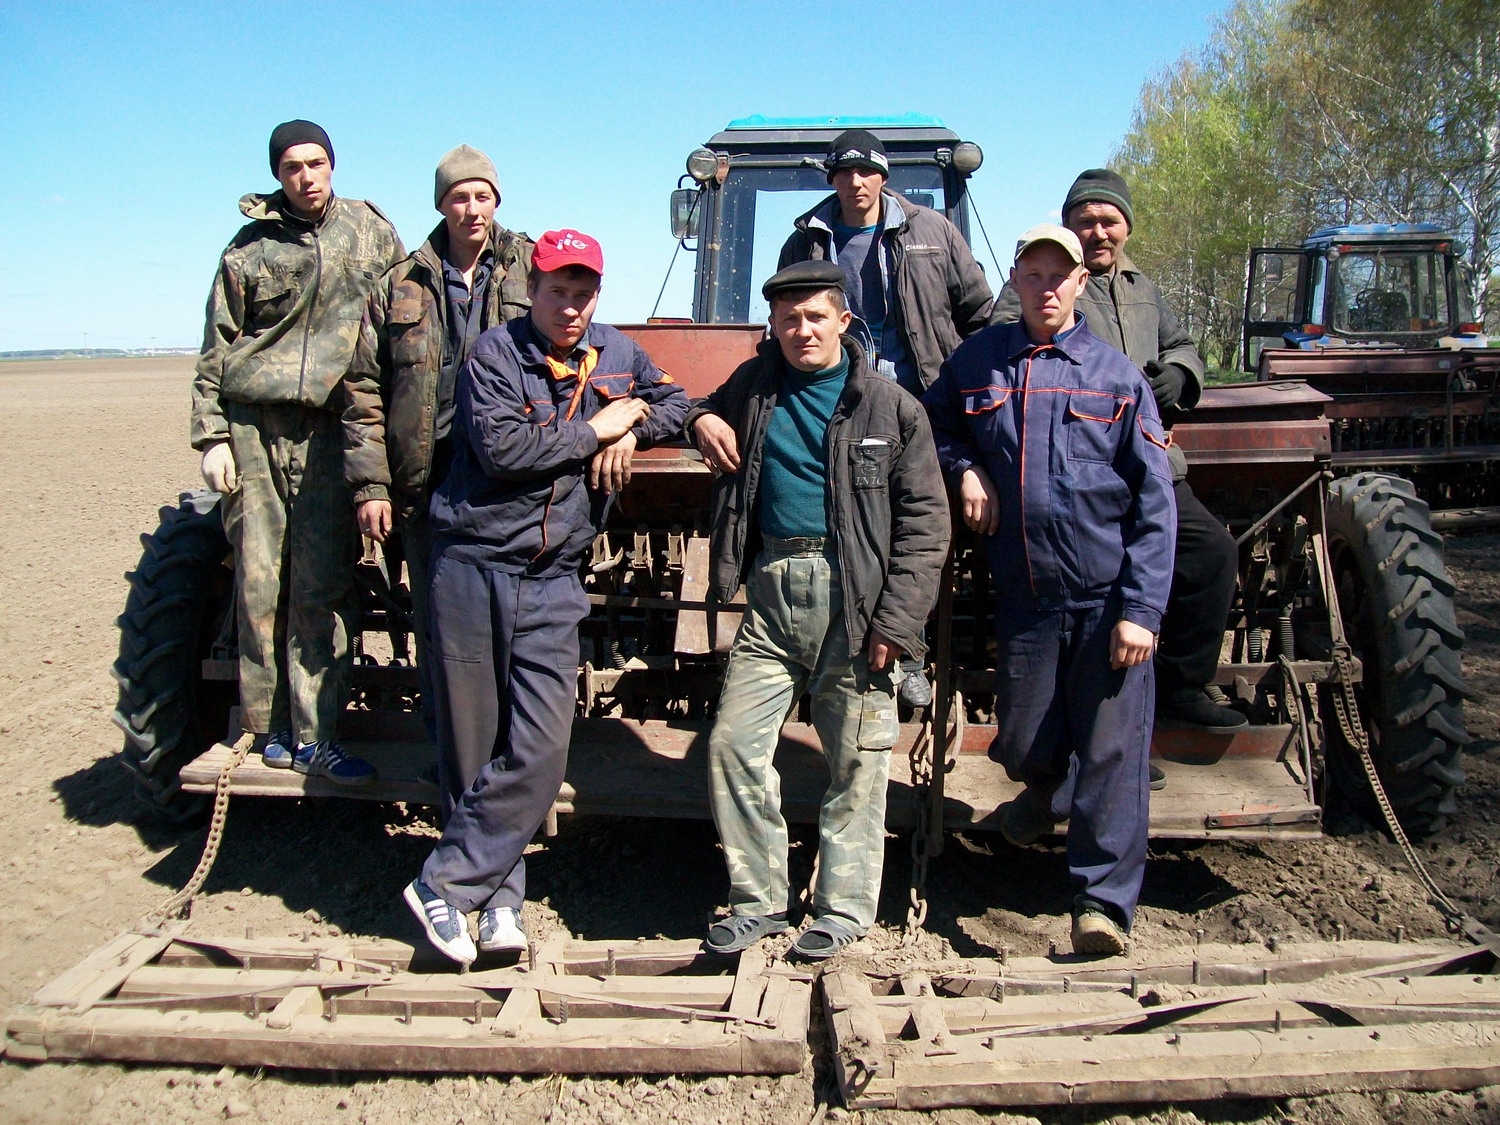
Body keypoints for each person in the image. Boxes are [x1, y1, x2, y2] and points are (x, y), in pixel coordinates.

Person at [404, 230, 689, 964]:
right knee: (473, 748)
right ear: (533, 288)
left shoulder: (616, 354)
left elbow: (676, 400)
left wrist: (638, 427)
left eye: (584, 291)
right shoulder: (495, 357)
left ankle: (444, 883)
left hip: (555, 579)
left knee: (538, 747)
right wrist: (596, 431)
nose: (571, 305)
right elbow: (501, 452)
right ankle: (498, 900)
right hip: (474, 565)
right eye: (558, 291)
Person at [924, 225, 1176, 955]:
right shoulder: (979, 363)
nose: (1047, 287)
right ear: (1017, 279)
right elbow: (933, 424)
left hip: (1105, 601)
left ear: (1078, 284)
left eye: (1059, 276)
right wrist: (963, 468)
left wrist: (1140, 610)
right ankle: (1048, 788)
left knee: (1111, 753)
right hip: (1027, 598)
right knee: (1023, 740)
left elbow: (1155, 505)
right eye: (1033, 274)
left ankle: (1101, 904)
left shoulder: (1116, 377)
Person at [688, 261, 949, 960]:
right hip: (772, 594)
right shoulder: (755, 386)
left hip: (856, 603)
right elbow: (694, 406)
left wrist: (897, 622)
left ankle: (841, 909)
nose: (801, 330)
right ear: (772, 326)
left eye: (813, 317)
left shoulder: (892, 408)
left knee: (857, 761)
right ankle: (760, 899)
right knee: (732, 744)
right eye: (787, 319)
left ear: (843, 320)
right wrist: (702, 416)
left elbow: (927, 523)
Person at [994, 169, 1244, 746]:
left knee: (1210, 554)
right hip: (1070, 469)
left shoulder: (1144, 289)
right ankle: (1103, 735)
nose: (1098, 230)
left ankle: (1181, 687)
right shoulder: (1036, 286)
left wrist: (1180, 374)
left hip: (1148, 465)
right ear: (1069, 228)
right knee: (1099, 601)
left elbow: (1182, 344)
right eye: (1086, 220)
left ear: (1127, 227)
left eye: (1109, 220)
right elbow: (1012, 345)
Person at [191, 119, 404, 784]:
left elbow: (402, 321)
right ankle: (269, 728)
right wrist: (212, 435)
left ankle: (317, 735)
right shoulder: (249, 247)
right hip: (255, 425)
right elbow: (216, 343)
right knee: (258, 584)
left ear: (333, 165)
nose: (306, 176)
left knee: (321, 584)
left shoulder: (371, 233)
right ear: (278, 174)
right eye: (292, 166)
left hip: (332, 428)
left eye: (315, 162)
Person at [779, 128, 990, 708]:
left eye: (866, 171)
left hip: (921, 399)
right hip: (840, 398)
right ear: (833, 179)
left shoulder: (933, 232)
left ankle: (909, 649)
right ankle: (816, 651)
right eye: (844, 173)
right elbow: (782, 323)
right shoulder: (806, 242)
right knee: (849, 518)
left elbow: (978, 313)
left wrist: (970, 390)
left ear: (883, 175)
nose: (856, 183)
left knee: (909, 522)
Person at [343, 145, 535, 775]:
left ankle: (509, 761)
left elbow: (580, 347)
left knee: (511, 624)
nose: (471, 208)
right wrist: (372, 483)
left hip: (509, 479)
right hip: (427, 482)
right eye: (459, 196)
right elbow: (363, 388)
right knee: (439, 626)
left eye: (482, 195)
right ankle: (446, 755)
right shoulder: (401, 283)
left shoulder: (533, 267)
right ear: (440, 204)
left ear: (497, 201)